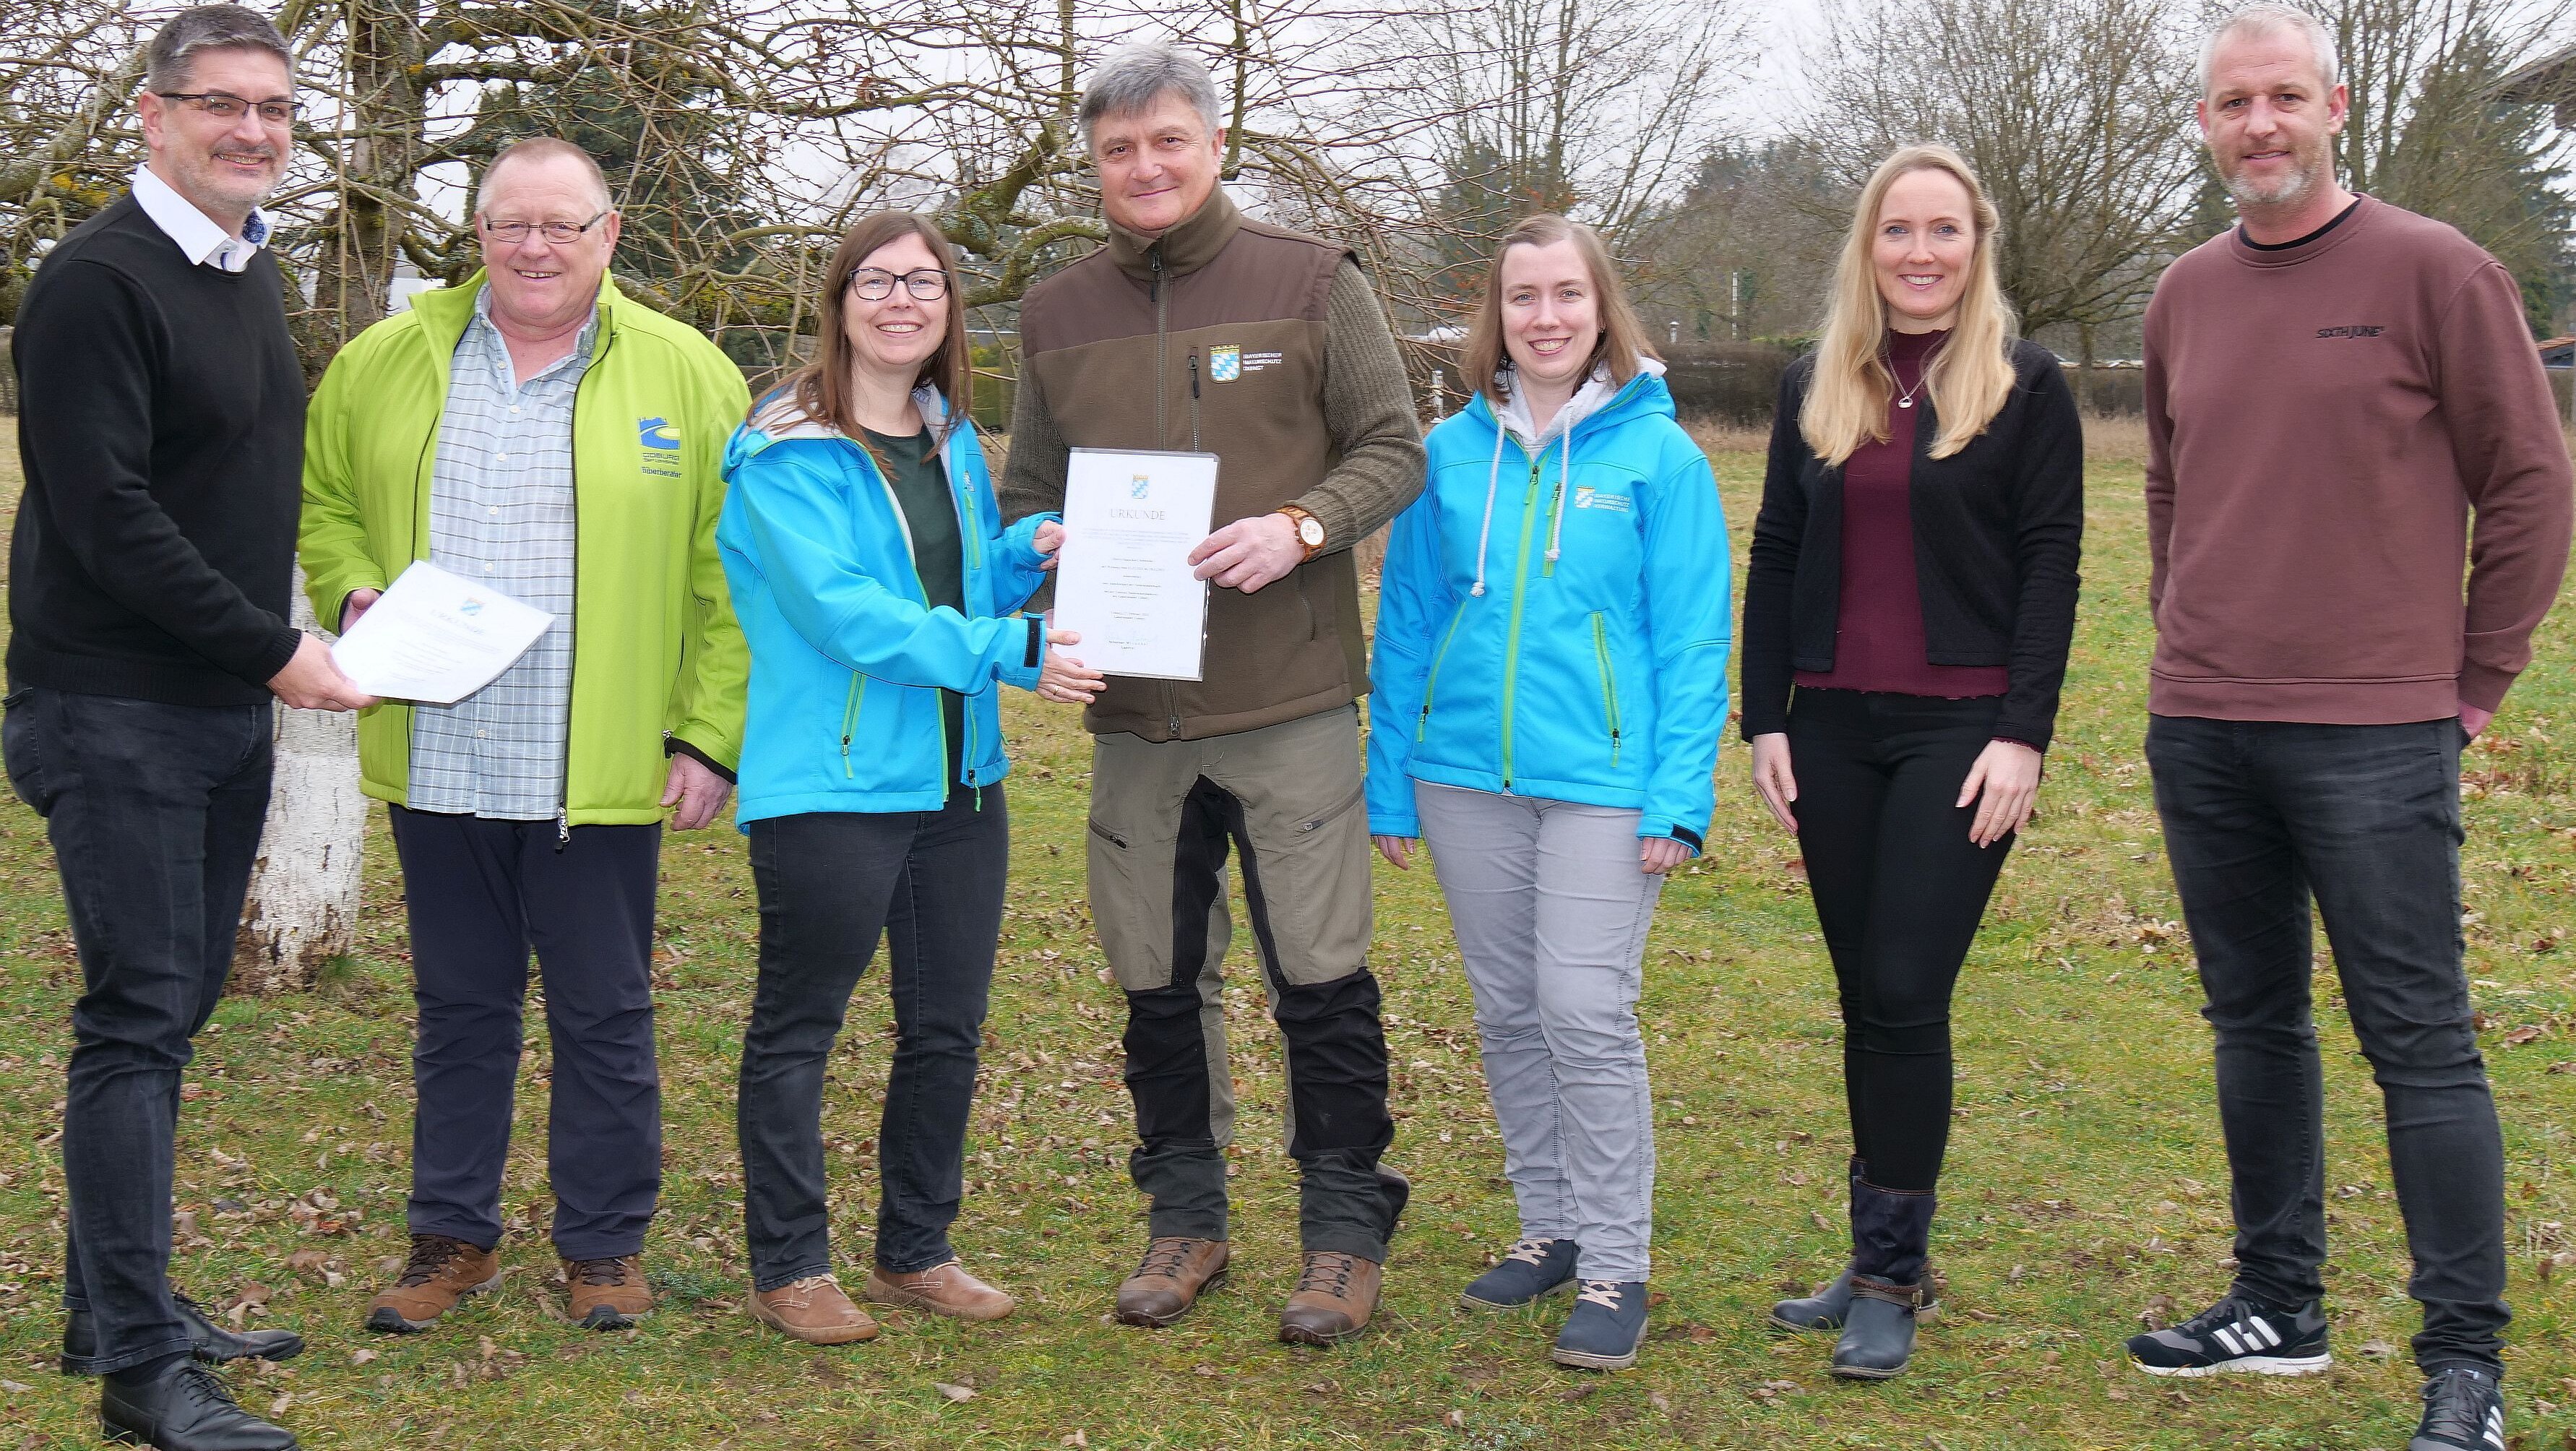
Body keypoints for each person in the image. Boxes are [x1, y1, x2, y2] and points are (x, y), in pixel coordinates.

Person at [2121, 9, 2572, 1447]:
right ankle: (2277, 1302)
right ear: (2202, 122)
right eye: (2229, 102)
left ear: (2336, 106)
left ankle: (2465, 1367)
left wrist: (2472, 684)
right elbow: (2172, 489)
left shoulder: (2440, 271)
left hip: (2377, 731)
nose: (2257, 123)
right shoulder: (2180, 294)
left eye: (2282, 99)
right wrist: (2184, 634)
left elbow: (2530, 486)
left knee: (2418, 1039)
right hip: (2204, 723)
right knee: (2252, 1021)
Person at [998, 43, 1426, 1345]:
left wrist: (1302, 526)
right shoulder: (1054, 311)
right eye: (1120, 150)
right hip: (1138, 714)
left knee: (1321, 974)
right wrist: (1042, 555)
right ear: (1094, 165)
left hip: (1287, 702)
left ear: (1214, 144)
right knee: (1156, 978)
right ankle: (1185, 1219)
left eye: (1168, 141)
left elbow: (1394, 447)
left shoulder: (1310, 281)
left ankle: (1343, 1233)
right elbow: (1024, 492)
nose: (1145, 168)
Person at [300, 137, 751, 1338]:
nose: (535, 248)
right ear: (480, 235)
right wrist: (350, 588)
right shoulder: (386, 359)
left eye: (562, 225)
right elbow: (326, 501)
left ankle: (603, 1246)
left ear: (610, 234)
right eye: (511, 226)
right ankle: (451, 1237)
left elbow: (732, 582)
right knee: (459, 1008)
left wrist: (709, 738)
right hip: (437, 749)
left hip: (591, 764)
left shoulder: (690, 377)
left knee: (603, 1013)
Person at [4, 7, 374, 1447]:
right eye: (223, 104)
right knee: (138, 1022)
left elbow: (232, 485)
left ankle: (116, 1306)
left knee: (168, 1012)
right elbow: (106, 518)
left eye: (276, 109)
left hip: (215, 709)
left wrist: (312, 618)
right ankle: (141, 1375)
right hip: (114, 709)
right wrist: (275, 646)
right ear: (151, 117)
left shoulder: (244, 264)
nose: (255, 131)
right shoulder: (98, 281)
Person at [716, 212, 1101, 1345]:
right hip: (832, 784)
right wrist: (1013, 650)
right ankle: (789, 1265)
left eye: (924, 283)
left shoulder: (947, 436)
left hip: (958, 782)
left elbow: (948, 582)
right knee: (801, 1029)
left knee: (945, 1029)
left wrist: (1016, 559)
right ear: (838, 302)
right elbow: (851, 618)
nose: (901, 301)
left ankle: (915, 1249)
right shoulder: (784, 452)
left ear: (947, 307)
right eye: (876, 281)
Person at [1740, 144, 2083, 1380]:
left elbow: (2051, 565)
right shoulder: (1814, 383)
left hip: (1960, 730)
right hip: (1829, 727)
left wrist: (2022, 734)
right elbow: (1777, 551)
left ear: (1975, 244)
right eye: (1898, 231)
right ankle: (1884, 1245)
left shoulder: (2024, 386)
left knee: (1901, 987)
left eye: (1943, 230)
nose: (1920, 252)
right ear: (1868, 247)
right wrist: (1762, 718)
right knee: (1861, 998)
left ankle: (1890, 1276)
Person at [1364, 215, 1730, 1372]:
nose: (1545, 317)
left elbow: (1692, 635)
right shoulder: (1446, 453)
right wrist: (1389, 782)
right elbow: (1410, 621)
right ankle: (1551, 1228)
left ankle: (1617, 1258)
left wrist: (1678, 798)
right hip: (1464, 775)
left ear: (1600, 306)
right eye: (1522, 297)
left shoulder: (1658, 458)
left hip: (1604, 786)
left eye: (1566, 294)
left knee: (1582, 1008)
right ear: (1496, 317)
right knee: (1510, 1010)